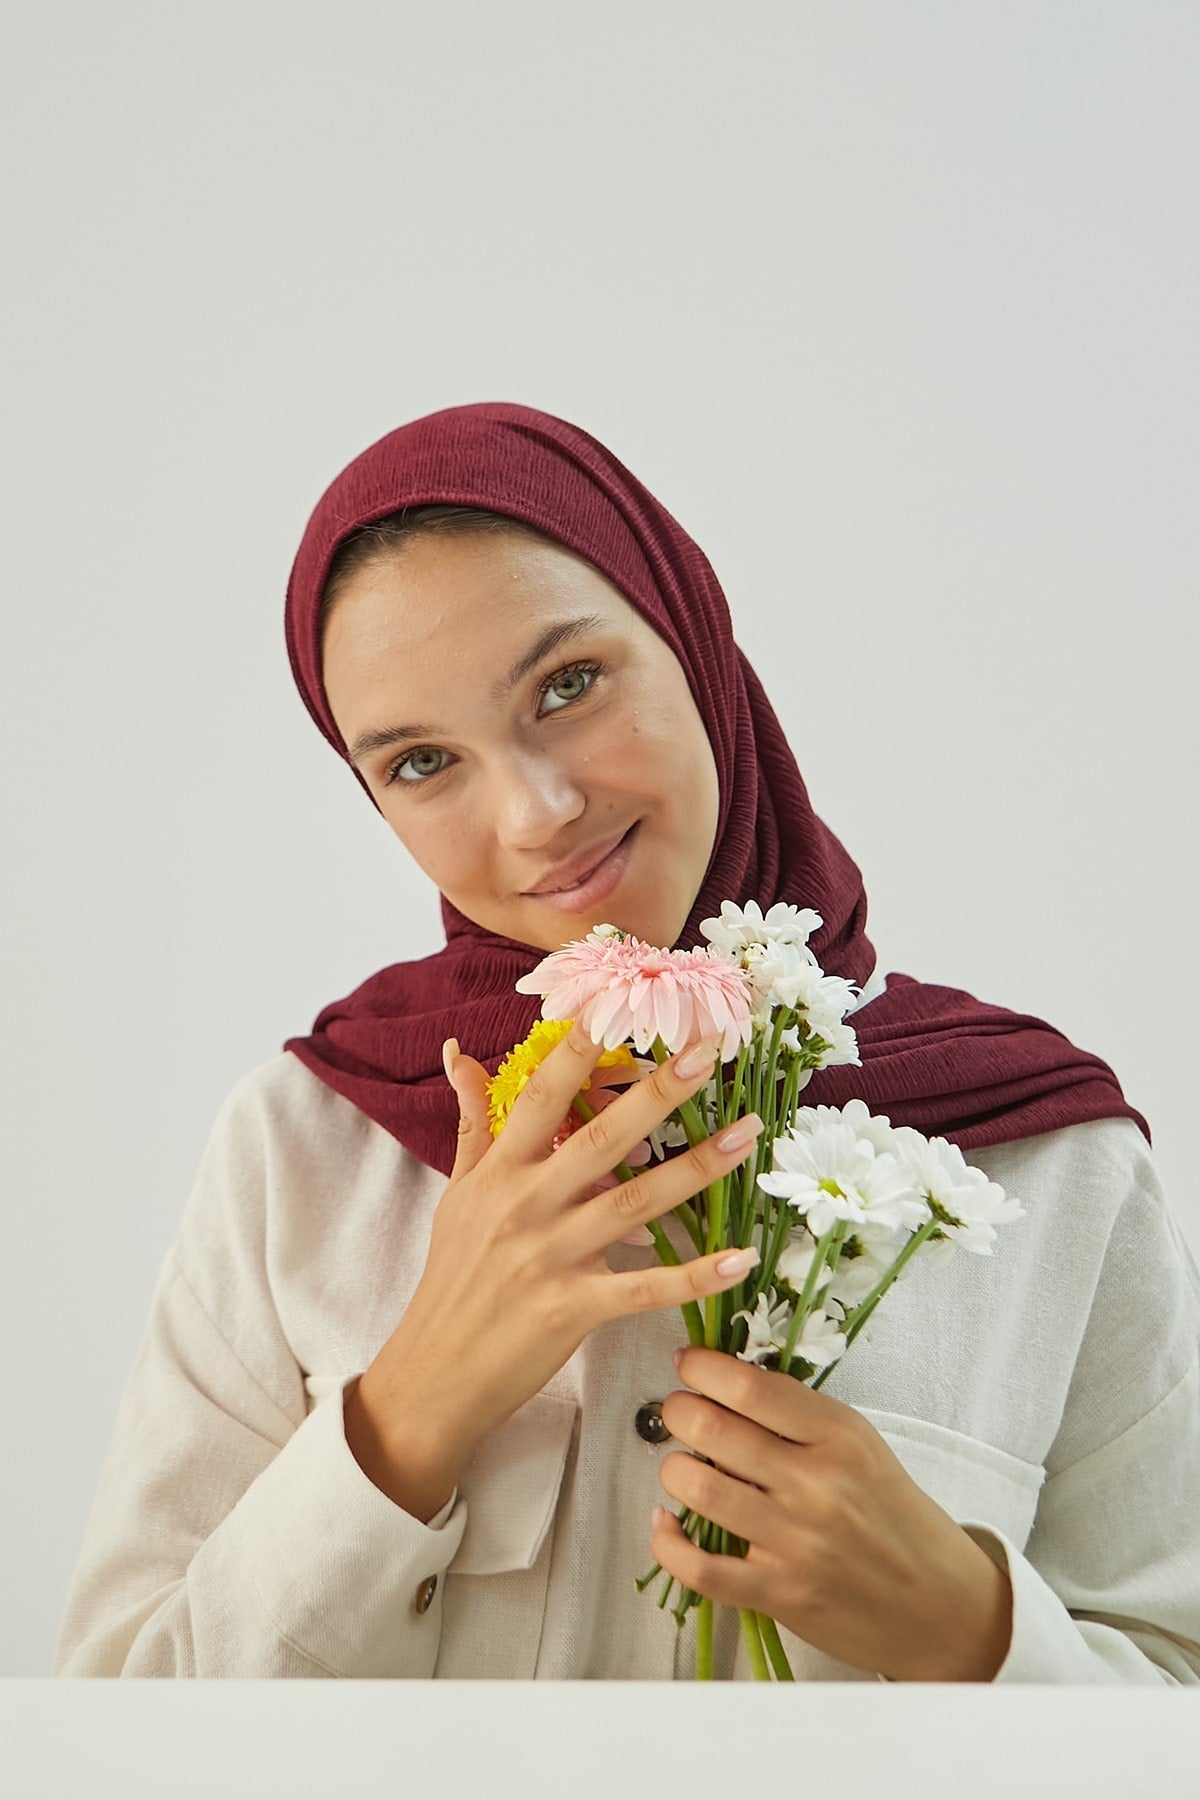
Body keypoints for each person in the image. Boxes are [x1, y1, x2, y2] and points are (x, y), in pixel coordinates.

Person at [53, 402, 1200, 1682]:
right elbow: (113, 1720)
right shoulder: (307, 1150)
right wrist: (410, 1408)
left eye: (569, 684)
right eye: (423, 761)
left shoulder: (1048, 1162)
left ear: (694, 640)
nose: (537, 816)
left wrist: (969, 1626)